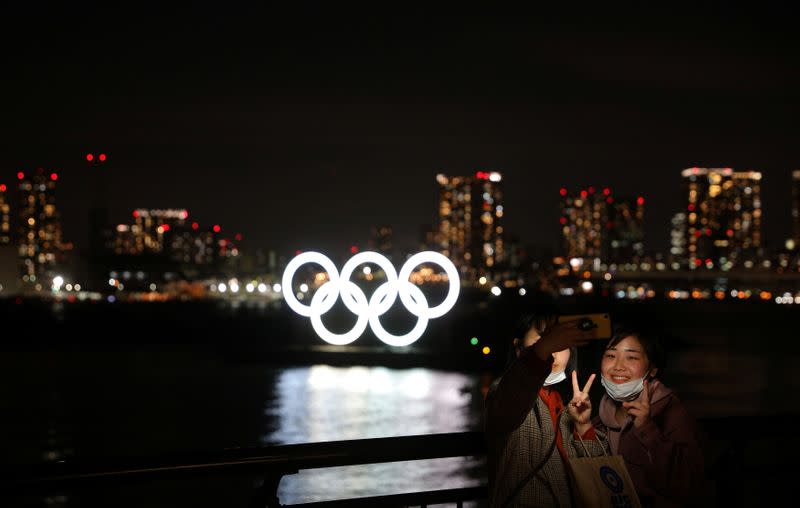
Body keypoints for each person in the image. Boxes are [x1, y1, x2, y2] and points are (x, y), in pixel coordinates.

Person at [485, 311, 610, 507]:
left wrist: (584, 426)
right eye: (545, 339)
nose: (555, 349)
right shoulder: (504, 391)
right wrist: (541, 351)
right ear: (519, 348)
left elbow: (596, 477)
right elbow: (514, 393)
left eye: (561, 343)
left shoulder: (564, 405)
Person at [593, 324, 708, 507]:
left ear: (652, 369)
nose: (618, 366)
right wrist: (582, 426)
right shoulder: (598, 418)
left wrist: (647, 429)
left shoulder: (672, 411)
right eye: (610, 356)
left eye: (631, 357)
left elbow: (689, 485)